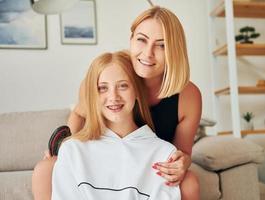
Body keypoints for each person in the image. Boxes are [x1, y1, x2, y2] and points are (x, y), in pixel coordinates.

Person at [33, 6, 201, 200]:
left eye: (161, 45)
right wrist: (64, 151)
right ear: (131, 39)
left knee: (189, 182)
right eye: (141, 40)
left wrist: (180, 164)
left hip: (149, 162)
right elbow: (80, 113)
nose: (148, 53)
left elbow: (183, 152)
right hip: (103, 153)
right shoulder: (112, 71)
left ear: (174, 50)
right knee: (46, 168)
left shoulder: (188, 96)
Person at [50, 51, 181, 199]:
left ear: (137, 91)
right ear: (93, 95)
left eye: (123, 86)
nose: (113, 97)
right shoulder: (72, 150)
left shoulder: (163, 154)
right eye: (103, 88)